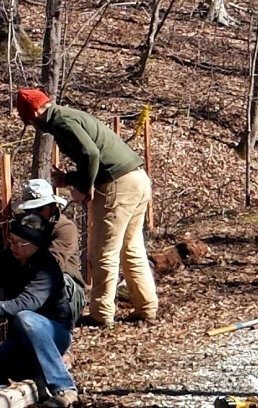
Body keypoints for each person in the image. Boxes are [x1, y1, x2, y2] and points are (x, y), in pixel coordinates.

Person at [13, 88, 158, 326]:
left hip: (117, 184)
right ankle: (147, 306)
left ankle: (101, 314)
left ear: (36, 112)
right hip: (137, 179)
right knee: (131, 248)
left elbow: (91, 155)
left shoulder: (60, 122)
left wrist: (83, 187)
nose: (33, 125)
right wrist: (70, 179)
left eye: (30, 120)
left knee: (104, 252)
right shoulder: (68, 115)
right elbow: (93, 156)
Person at [0, 212, 83, 408]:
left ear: (36, 244)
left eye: (20, 243)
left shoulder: (47, 268)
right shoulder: (6, 259)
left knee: (25, 318)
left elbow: (21, 306)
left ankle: (64, 388)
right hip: (19, 340)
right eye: (11, 240)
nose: (13, 246)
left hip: (56, 335)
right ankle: (22, 389)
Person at [11, 177, 85, 268]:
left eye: (39, 209)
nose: (33, 213)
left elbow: (52, 263)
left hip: (63, 276)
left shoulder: (66, 228)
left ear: (52, 208)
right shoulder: (22, 224)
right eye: (28, 209)